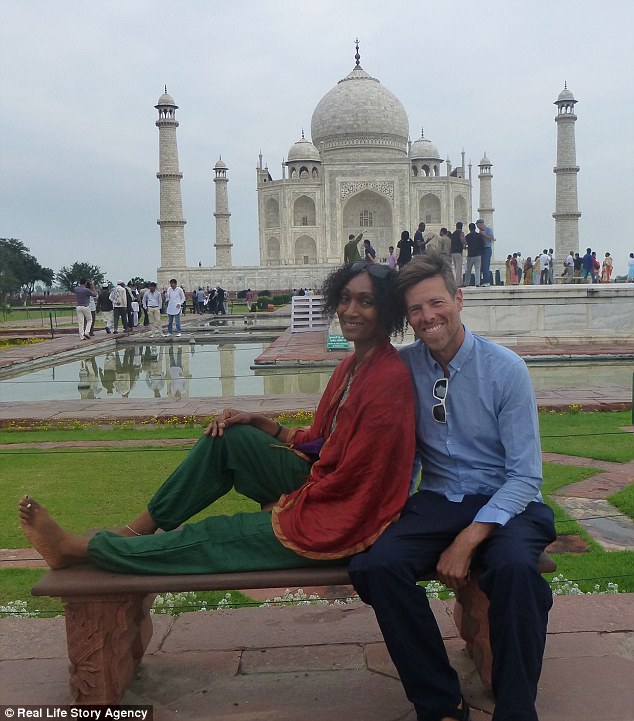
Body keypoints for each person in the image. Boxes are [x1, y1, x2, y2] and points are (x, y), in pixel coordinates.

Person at [19, 262, 416, 580]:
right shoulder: (354, 364)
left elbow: (359, 482)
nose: (350, 310)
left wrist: (287, 504)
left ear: (387, 310)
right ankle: (136, 528)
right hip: (324, 483)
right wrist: (265, 424)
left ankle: (82, 550)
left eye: (365, 302)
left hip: (342, 520)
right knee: (231, 434)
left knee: (217, 537)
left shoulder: (386, 381)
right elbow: (321, 440)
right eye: (345, 299)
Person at [348, 251, 556, 721]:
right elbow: (396, 453)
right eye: (416, 309)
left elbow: (525, 476)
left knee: (516, 571)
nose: (428, 317)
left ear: (459, 300)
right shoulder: (404, 369)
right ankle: (440, 702)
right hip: (440, 499)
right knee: (376, 565)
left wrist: (468, 538)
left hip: (509, 502)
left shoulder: (505, 370)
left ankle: (517, 709)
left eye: (436, 303)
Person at [475, 219, 494, 286]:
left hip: (487, 249)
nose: (478, 228)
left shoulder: (488, 230)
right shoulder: (480, 231)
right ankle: (482, 281)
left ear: (481, 224)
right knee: (481, 267)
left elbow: (492, 238)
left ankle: (487, 282)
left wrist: (483, 234)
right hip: (481, 250)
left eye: (478, 226)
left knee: (486, 265)